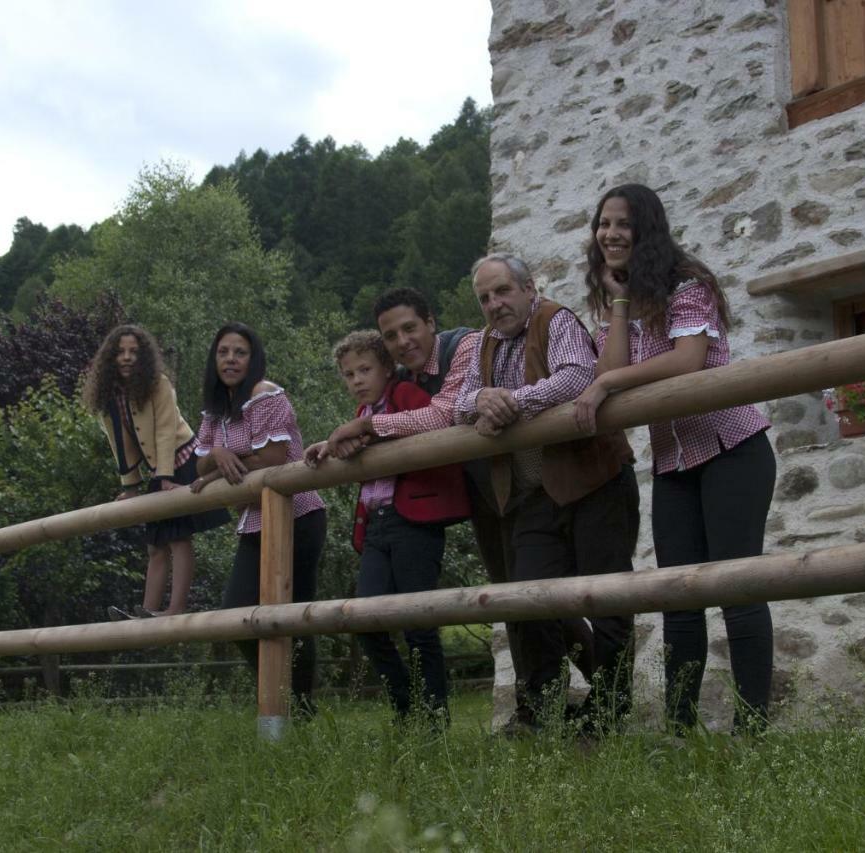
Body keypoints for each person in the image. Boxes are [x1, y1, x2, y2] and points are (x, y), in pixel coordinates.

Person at [321, 287, 596, 728]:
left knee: (534, 592)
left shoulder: (466, 343)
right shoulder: (404, 384)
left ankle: (592, 690)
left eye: (410, 327)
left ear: (431, 321)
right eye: (391, 336)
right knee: (512, 597)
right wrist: (353, 435)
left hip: (523, 485)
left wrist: (366, 425)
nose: (403, 340)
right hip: (483, 495)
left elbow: (444, 414)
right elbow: (408, 422)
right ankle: (542, 706)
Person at [573, 183, 776, 735]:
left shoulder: (690, 287)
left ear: (647, 231)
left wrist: (607, 382)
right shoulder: (619, 305)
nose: (611, 234)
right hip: (673, 465)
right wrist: (616, 302)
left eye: (623, 224)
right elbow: (607, 373)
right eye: (603, 224)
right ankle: (680, 733)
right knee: (677, 599)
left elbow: (687, 361)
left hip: (733, 449)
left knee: (737, 589)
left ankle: (753, 730)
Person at [456, 254, 640, 735]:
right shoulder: (483, 345)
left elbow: (578, 377)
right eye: (485, 298)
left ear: (528, 287)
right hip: (537, 493)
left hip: (595, 479)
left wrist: (511, 403)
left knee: (607, 598)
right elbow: (460, 400)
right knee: (527, 599)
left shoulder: (555, 319)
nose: (494, 305)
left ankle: (607, 717)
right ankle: (542, 712)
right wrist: (479, 400)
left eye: (502, 292)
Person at [305, 331, 469, 722]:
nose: (357, 380)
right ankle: (405, 704)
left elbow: (427, 423)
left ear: (387, 369)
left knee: (417, 620)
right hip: (376, 526)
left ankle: (433, 716)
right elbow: (354, 441)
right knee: (364, 619)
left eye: (365, 370)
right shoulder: (360, 417)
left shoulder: (407, 395)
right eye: (348, 375)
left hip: (414, 520)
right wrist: (328, 447)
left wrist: (365, 433)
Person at [190, 322, 326, 712]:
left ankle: (299, 711)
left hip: (298, 512)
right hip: (255, 519)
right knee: (236, 611)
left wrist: (220, 469)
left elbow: (275, 458)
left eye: (240, 352)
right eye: (223, 352)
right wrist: (217, 457)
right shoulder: (215, 412)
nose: (230, 359)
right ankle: (281, 697)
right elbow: (198, 466)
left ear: (253, 359)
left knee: (293, 613)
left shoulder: (264, 395)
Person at [83, 325, 230, 621]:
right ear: (110, 357)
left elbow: (165, 431)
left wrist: (164, 477)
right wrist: (131, 486)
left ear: (144, 357)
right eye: (120, 352)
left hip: (183, 461)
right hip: (158, 471)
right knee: (154, 545)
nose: (126, 358)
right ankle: (147, 611)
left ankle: (175, 609)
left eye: (134, 352)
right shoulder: (110, 396)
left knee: (179, 538)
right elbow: (120, 442)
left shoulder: (158, 384)